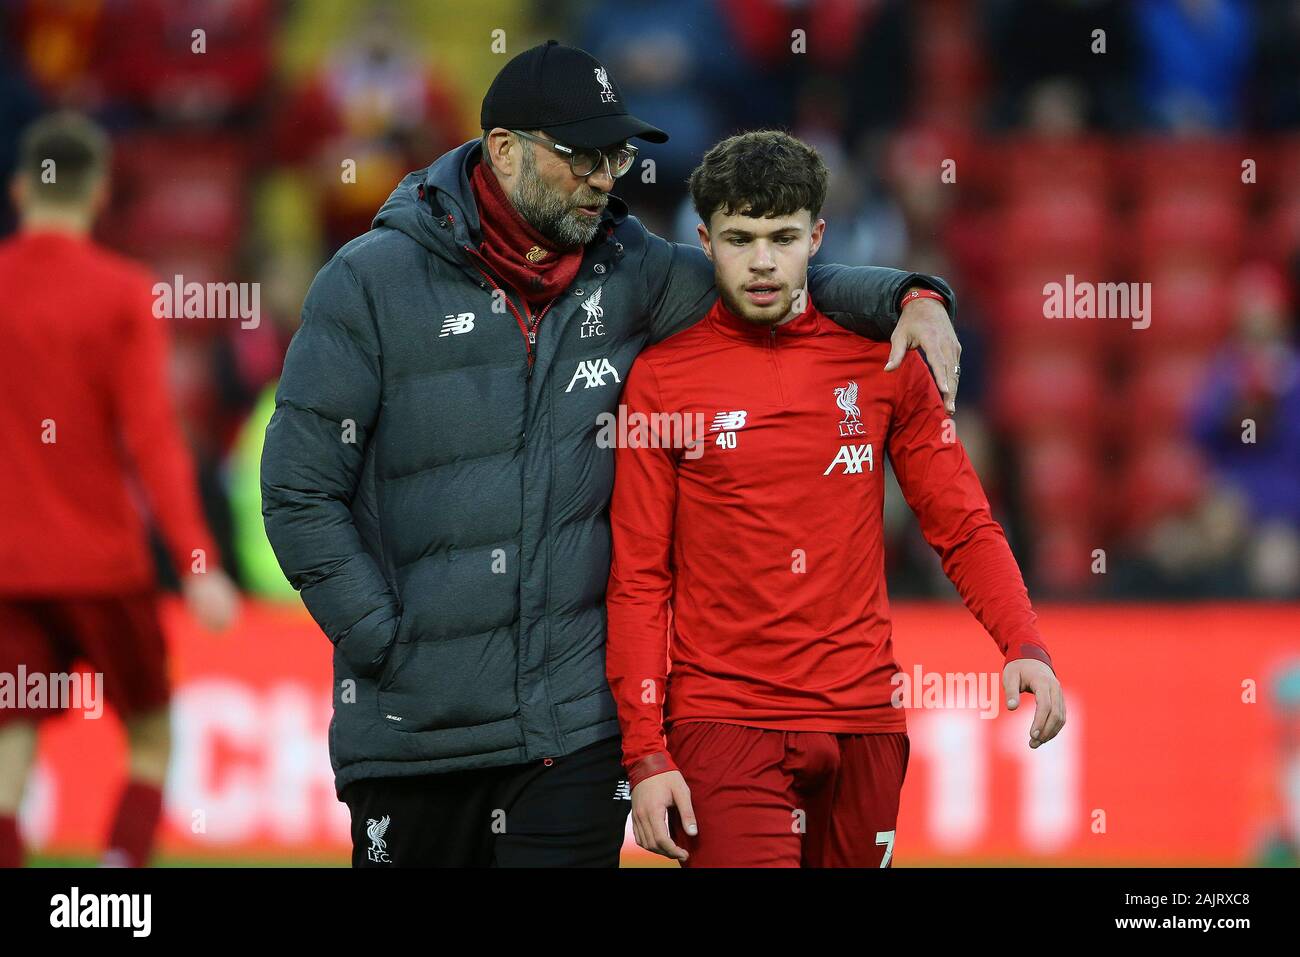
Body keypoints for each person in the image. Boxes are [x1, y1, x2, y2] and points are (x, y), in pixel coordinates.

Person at [261, 40, 960, 868]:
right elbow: (298, 490)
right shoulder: (368, 282)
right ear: (505, 151)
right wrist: (385, 639)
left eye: (616, 155)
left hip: (574, 731)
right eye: (582, 156)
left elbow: (763, 276)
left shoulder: (632, 270)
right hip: (417, 729)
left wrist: (907, 295)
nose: (606, 177)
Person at [605, 130, 1065, 867]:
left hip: (866, 724)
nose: (761, 261)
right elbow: (637, 578)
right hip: (725, 724)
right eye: (739, 238)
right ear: (704, 239)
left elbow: (961, 521)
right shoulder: (662, 382)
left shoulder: (883, 361)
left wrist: (1023, 641)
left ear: (817, 235)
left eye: (783, 237)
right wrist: (646, 750)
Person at [0, 112, 239, 868]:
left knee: (9, 745)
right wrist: (198, 563)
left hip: (8, 569)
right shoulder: (123, 292)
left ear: (18, 189)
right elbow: (153, 441)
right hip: (104, 566)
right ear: (100, 193)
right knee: (150, 735)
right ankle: (112, 891)